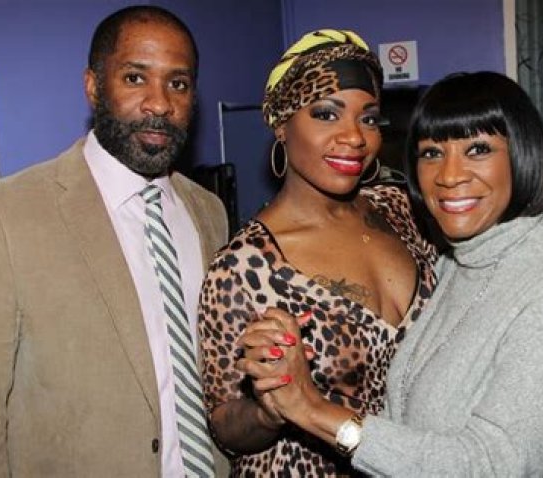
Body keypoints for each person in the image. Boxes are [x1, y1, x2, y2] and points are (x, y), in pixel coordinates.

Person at [237, 71, 543, 476]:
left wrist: (311, 409)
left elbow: (490, 466)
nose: (449, 175)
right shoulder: (454, 265)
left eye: (478, 149)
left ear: (522, 156)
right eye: (431, 153)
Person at [0, 6, 230, 477]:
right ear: (93, 86)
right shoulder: (1, 215)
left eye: (178, 83)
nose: (160, 103)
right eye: (135, 78)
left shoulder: (209, 211)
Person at [197, 29, 437, 476]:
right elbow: (225, 425)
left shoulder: (399, 208)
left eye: (369, 119)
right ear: (281, 124)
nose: (355, 137)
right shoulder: (243, 266)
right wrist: (269, 409)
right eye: (327, 114)